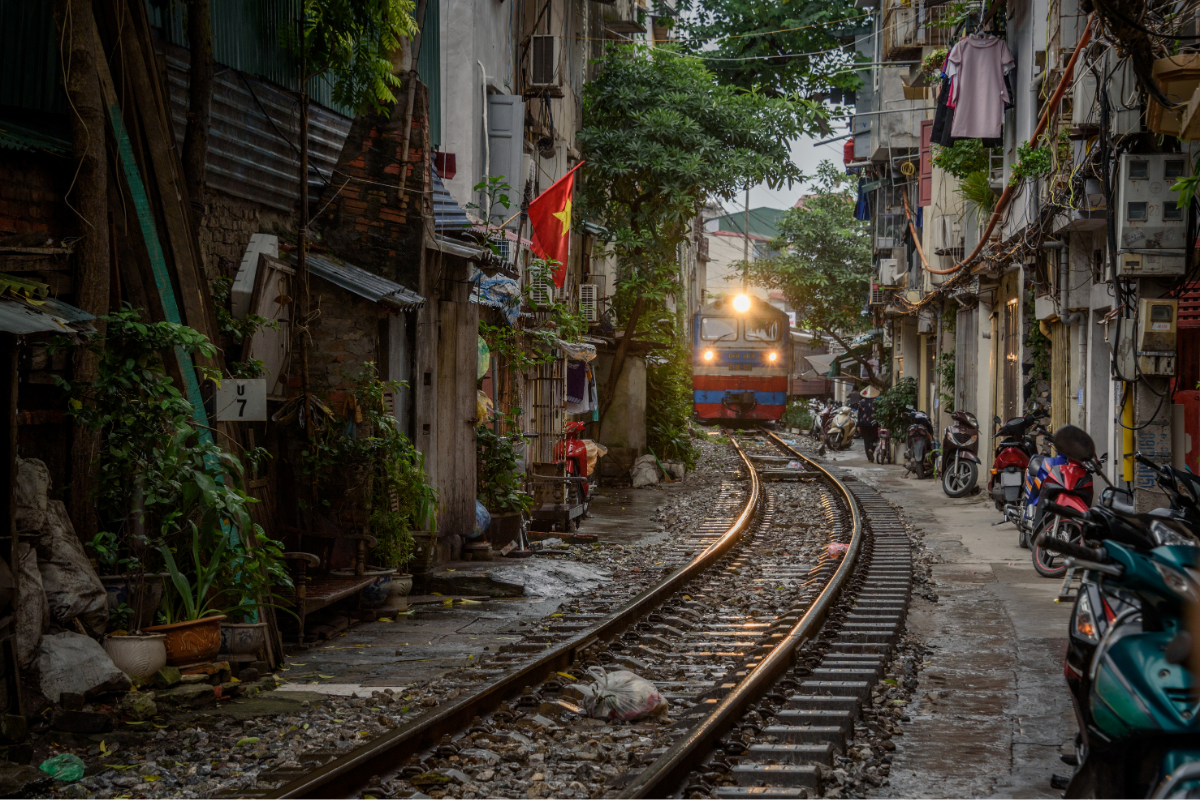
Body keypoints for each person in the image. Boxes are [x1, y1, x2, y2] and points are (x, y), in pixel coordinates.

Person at [857, 385, 880, 462]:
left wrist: (858, 425)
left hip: (863, 423)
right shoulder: (877, 402)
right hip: (874, 423)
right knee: (875, 438)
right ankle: (871, 450)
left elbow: (859, 415)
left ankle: (870, 458)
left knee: (866, 440)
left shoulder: (861, 402)